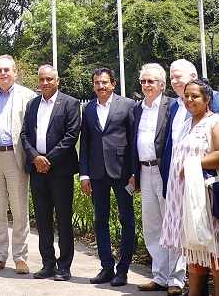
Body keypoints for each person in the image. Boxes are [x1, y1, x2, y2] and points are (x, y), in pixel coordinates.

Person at [161, 79, 219, 296]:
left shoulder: (216, 122)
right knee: (193, 250)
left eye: (195, 96)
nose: (190, 100)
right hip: (183, 197)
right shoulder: (186, 123)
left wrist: (194, 163)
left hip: (205, 197)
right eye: (186, 96)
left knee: (215, 250)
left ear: (207, 99)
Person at [20, 64, 80, 282]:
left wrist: (48, 159)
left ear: (57, 81)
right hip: (37, 169)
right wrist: (36, 157)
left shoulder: (71, 103)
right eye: (42, 79)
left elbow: (71, 135)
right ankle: (48, 263)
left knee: (63, 219)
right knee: (43, 219)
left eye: (49, 79)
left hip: (60, 171)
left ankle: (64, 266)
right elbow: (24, 134)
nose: (45, 83)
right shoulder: (32, 104)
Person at [0, 54, 36, 275]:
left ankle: (20, 257)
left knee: (20, 209)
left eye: (6, 70)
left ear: (15, 72)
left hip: (15, 157)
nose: (3, 73)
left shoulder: (28, 96)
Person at [78, 67, 135, 287]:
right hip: (97, 173)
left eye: (104, 82)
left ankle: (123, 270)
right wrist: (84, 174)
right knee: (100, 220)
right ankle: (107, 267)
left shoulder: (128, 105)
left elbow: (132, 143)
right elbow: (85, 143)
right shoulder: (89, 108)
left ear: (113, 84)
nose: (100, 86)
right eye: (96, 83)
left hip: (121, 172)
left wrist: (133, 173)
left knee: (126, 220)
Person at [130, 63, 183, 295]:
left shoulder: (172, 106)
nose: (146, 85)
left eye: (151, 81)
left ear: (162, 84)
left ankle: (176, 280)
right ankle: (159, 276)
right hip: (144, 171)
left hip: (166, 172)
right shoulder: (137, 109)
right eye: (143, 81)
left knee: (172, 224)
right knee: (152, 226)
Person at [160, 59, 219, 201]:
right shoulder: (174, 105)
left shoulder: (214, 98)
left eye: (178, 76)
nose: (174, 81)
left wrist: (193, 165)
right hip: (176, 182)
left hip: (203, 183)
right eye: (171, 78)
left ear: (193, 76)